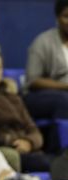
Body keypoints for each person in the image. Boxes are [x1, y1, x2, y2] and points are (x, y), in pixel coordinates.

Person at [0, 48, 50, 172]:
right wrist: (13, 143)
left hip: (27, 149)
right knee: (45, 164)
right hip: (3, 149)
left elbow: (32, 127)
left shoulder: (13, 97)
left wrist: (29, 142)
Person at [24, 0, 68, 151]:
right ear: (57, 18)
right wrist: (65, 87)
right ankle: (58, 154)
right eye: (66, 16)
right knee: (63, 100)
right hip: (38, 97)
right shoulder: (43, 42)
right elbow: (33, 80)